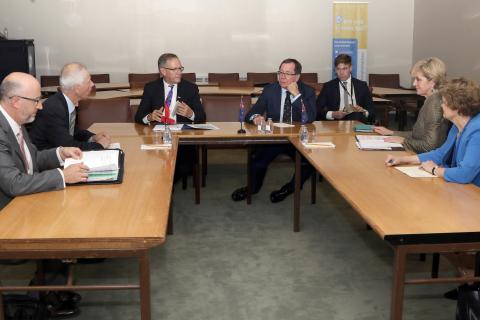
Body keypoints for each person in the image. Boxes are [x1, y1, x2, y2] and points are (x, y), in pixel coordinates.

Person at [0, 72, 89, 317]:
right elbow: (14, 183)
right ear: (16, 100)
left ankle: (47, 291)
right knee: (63, 226)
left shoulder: (15, 122)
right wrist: (62, 176)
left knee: (70, 216)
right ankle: (42, 296)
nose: (40, 106)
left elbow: (32, 160)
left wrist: (60, 153)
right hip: (7, 214)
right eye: (36, 100)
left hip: (22, 202)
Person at [231, 58, 316, 203]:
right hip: (274, 138)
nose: (282, 77)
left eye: (287, 73)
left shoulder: (307, 91)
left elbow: (310, 117)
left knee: (309, 163)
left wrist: (296, 96)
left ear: (297, 77)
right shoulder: (271, 89)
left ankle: (289, 188)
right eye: (280, 72)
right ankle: (252, 188)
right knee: (257, 160)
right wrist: (257, 117)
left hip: (297, 138)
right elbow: (251, 113)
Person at [385, 77, 480, 187]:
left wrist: (435, 170)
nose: (441, 105)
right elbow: (440, 154)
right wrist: (402, 160)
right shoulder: (457, 126)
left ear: (457, 107)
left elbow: (464, 174)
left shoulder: (477, 131)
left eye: (444, 102)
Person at [135, 53, 206, 182]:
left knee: (176, 168)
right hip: (158, 139)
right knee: (149, 164)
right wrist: (150, 117)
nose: (179, 72)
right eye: (175, 69)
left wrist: (191, 114)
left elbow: (202, 117)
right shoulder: (151, 88)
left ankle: (168, 183)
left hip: (182, 141)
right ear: (163, 71)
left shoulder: (190, 88)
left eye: (180, 68)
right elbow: (139, 116)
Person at [374, 57, 450, 153]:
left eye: (418, 80)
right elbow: (418, 135)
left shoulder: (434, 104)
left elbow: (430, 146)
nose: (414, 83)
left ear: (432, 82)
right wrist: (391, 132)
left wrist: (404, 141)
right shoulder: (432, 100)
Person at [29, 63, 111, 151]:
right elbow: (68, 147)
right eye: (88, 81)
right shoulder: (54, 109)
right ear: (77, 88)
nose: (92, 84)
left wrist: (92, 137)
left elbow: (73, 132)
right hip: (45, 161)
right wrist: (99, 146)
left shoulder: (65, 102)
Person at [316, 54, 374, 123]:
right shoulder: (328, 86)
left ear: (350, 68)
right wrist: (333, 114)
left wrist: (363, 111)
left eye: (344, 68)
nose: (341, 72)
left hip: (357, 120)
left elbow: (372, 111)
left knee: (356, 114)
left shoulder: (362, 85)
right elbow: (317, 109)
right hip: (336, 122)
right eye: (338, 69)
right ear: (335, 70)